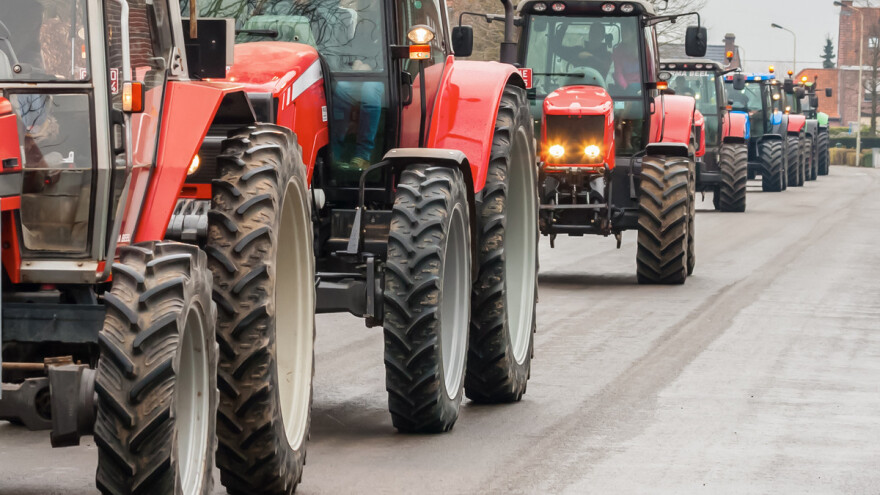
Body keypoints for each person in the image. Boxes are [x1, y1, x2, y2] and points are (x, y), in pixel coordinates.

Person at [315, 0, 385, 171]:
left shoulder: (389, 22)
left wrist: (371, 66)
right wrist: (357, 61)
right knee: (341, 90)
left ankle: (363, 155)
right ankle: (335, 152)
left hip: (383, 75)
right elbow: (355, 47)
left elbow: (388, 51)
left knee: (369, 93)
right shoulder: (364, 25)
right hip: (361, 73)